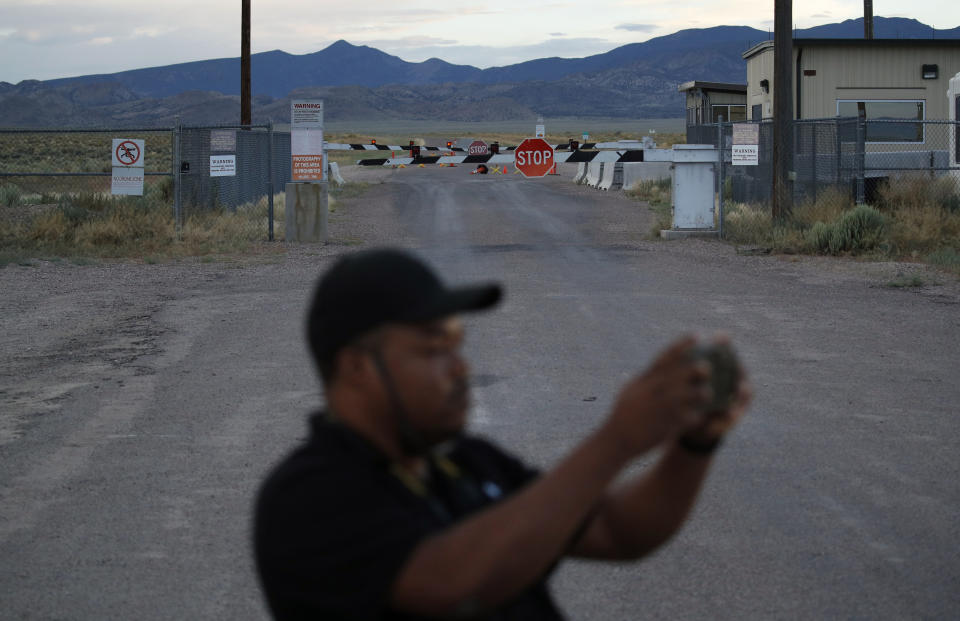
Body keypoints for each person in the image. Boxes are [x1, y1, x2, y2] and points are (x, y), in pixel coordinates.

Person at [254, 247, 751, 620]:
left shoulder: (468, 463)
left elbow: (618, 532)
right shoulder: (307, 496)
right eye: (434, 350)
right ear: (357, 367)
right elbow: (450, 584)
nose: (460, 368)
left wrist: (694, 445)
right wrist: (616, 441)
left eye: (458, 345)